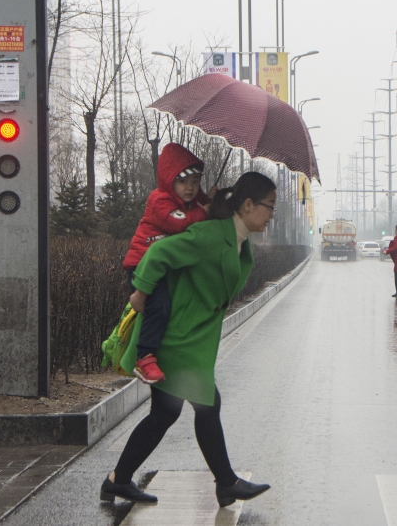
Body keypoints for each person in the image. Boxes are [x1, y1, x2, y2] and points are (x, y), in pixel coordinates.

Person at [101, 172, 276, 507]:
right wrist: (140, 291)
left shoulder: (237, 241)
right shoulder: (209, 236)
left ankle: (118, 480)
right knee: (206, 405)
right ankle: (226, 483)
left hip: (193, 337)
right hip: (175, 338)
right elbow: (157, 254)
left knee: (165, 413)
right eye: (269, 207)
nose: (271, 215)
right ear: (249, 204)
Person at [122, 143, 211, 384]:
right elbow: (178, 224)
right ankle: (144, 357)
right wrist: (203, 212)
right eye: (184, 181)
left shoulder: (189, 203)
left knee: (170, 308)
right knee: (159, 307)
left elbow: (202, 213)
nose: (190, 187)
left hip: (162, 268)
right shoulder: (160, 200)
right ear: (170, 180)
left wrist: (211, 203)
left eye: (195, 181)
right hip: (142, 267)